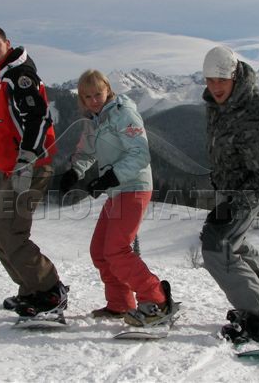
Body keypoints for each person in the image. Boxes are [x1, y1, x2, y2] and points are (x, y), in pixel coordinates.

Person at [59, 69, 176, 327]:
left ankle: (157, 300)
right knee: (100, 251)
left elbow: (140, 154)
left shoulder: (123, 113)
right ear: (81, 98)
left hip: (134, 187)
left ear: (108, 90)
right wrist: (74, 172)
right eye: (87, 96)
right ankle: (120, 304)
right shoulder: (93, 120)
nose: (94, 100)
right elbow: (86, 152)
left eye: (98, 94)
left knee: (116, 249)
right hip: (117, 190)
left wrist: (110, 177)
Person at [199, 46, 259, 343]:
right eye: (210, 80)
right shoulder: (216, 103)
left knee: (218, 247)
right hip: (228, 190)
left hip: (250, 191)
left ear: (235, 76)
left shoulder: (256, 110)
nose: (215, 87)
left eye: (221, 80)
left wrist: (237, 205)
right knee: (235, 246)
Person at [0, 26, 67, 318]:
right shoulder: (0, 81)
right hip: (9, 169)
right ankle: (31, 289)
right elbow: (2, 129)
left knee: (11, 231)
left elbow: (38, 118)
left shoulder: (19, 76)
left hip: (29, 168)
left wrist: (26, 159)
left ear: (7, 43)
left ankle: (50, 291)